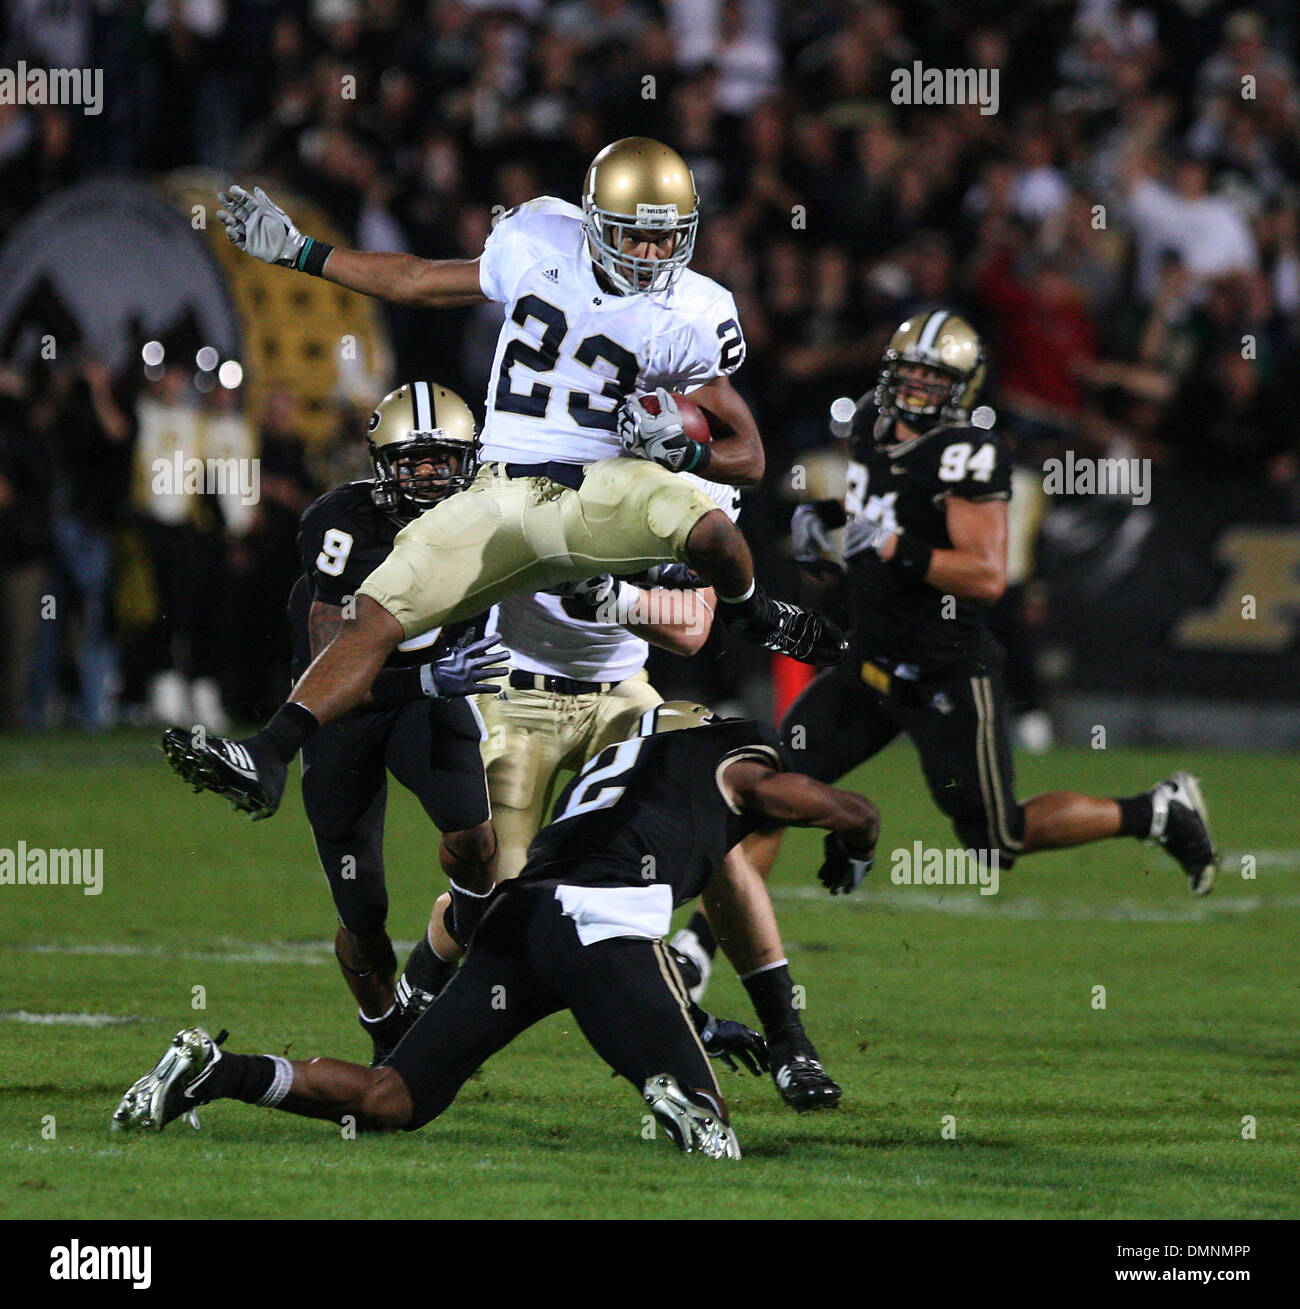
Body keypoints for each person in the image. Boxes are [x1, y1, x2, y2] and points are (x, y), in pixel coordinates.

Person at [159, 137, 846, 825]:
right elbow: (419, 280)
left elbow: (750, 456)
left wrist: (686, 455)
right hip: (500, 490)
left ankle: (754, 613)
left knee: (713, 530)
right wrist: (302, 253)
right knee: (373, 612)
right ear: (594, 221)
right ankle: (270, 754)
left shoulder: (696, 313)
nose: (649, 257)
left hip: (603, 485)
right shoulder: (539, 238)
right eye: (634, 237)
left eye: (664, 241)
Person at [112, 705, 879, 1159]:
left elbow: (608, 958)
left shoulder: (609, 773)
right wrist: (853, 849)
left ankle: (218, 1070)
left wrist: (698, 1019)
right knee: (719, 1132)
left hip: (518, 921)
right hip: (601, 926)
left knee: (392, 1099)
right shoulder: (736, 759)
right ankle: (680, 1098)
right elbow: (854, 810)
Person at [728, 310, 1217, 939]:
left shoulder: (970, 454)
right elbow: (883, 509)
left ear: (962, 387)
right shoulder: (873, 427)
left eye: (932, 377)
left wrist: (887, 545)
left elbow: (984, 576)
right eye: (906, 369)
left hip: (943, 673)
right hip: (868, 661)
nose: (913, 385)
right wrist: (829, 517)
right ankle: (699, 955)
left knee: (995, 837)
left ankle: (1155, 811)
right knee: (771, 792)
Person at [421, 473, 844, 1109]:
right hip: (513, 693)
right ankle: (406, 1011)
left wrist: (608, 596)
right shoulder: (537, 452)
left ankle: (788, 1038)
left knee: (719, 824)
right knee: (498, 903)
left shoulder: (679, 481)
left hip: (622, 694)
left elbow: (693, 628)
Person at [288, 381, 506, 1062]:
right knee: (364, 911)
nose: (428, 473)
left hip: (426, 701)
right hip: (345, 715)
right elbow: (335, 669)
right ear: (381, 465)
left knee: (475, 838)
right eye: (411, 460)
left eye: (442, 458)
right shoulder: (342, 523)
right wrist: (426, 677)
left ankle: (453, 940)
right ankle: (385, 1027)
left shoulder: (492, 515)